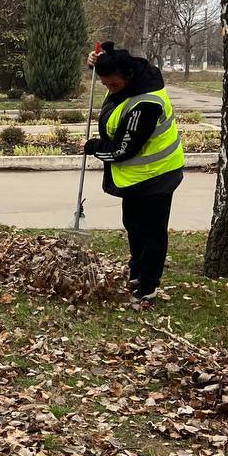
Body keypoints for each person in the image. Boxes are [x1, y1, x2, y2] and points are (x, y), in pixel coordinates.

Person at [83, 42, 185, 307]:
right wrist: (97, 60)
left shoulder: (145, 105)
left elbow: (123, 150)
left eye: (113, 86)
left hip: (157, 175)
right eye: (105, 85)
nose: (109, 90)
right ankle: (137, 272)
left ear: (127, 76)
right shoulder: (128, 77)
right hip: (136, 176)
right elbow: (111, 57)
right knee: (133, 226)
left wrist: (95, 147)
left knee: (152, 232)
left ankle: (148, 286)